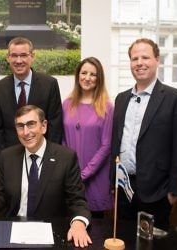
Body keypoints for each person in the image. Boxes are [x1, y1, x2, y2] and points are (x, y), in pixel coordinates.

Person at [0, 105, 92, 248]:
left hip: (51, 233)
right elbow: (1, 194)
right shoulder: (8, 156)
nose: (26, 132)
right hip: (14, 232)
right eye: (20, 126)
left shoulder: (65, 158)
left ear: (43, 126)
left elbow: (77, 201)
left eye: (31, 124)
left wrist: (78, 224)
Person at [110, 38, 177, 230]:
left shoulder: (175, 98)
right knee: (124, 239)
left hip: (158, 192)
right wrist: (112, 183)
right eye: (134, 58)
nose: (139, 63)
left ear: (157, 60)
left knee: (153, 245)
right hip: (124, 189)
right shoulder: (122, 99)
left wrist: (174, 192)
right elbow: (116, 143)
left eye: (145, 57)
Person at [62, 57, 114, 218]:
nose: (87, 78)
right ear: (78, 75)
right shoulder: (67, 104)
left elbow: (106, 146)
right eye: (84, 73)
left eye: (93, 74)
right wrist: (70, 173)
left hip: (96, 178)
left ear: (99, 79)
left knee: (95, 231)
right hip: (70, 176)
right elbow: (62, 140)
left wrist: (84, 174)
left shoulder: (107, 106)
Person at [0, 36, 63, 154]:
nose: (19, 61)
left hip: (42, 156)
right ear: (8, 58)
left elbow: (55, 127)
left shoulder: (49, 85)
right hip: (11, 157)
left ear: (32, 56)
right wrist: (4, 158)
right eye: (14, 55)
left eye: (24, 55)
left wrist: (49, 158)